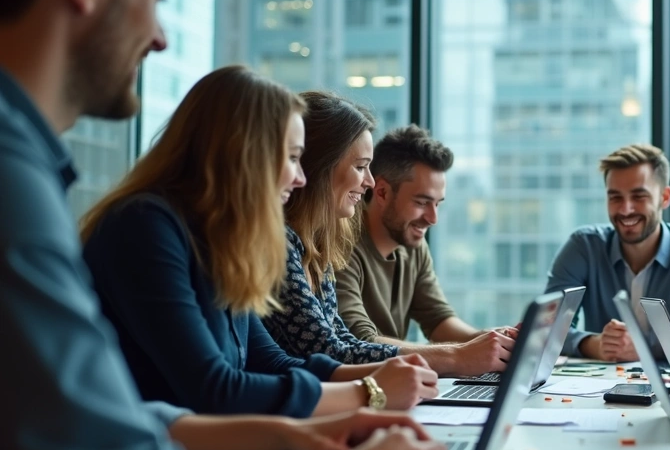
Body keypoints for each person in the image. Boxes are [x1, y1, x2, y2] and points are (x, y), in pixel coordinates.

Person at [0, 0, 446, 450]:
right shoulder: (122, 219)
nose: (159, 37)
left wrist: (307, 432)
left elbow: (136, 418)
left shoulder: (198, 236)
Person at [80, 66, 438, 417]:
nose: (300, 178)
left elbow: (268, 362)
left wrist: (396, 376)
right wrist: (370, 392)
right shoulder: (145, 227)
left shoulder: (220, 239)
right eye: (294, 158)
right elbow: (215, 390)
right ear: (245, 153)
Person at [262, 91, 438, 394]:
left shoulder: (316, 246)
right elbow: (327, 352)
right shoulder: (278, 242)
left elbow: (343, 341)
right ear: (318, 167)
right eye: (360, 166)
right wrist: (451, 358)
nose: (369, 181)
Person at [336, 124, 517, 377]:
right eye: (422, 203)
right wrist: (459, 355)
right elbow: (361, 341)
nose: (433, 219)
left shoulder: (413, 245)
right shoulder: (340, 244)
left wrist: (493, 340)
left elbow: (438, 319)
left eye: (437, 204)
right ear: (382, 192)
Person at [545, 143, 670, 362]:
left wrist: (644, 346)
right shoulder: (584, 246)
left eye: (639, 196)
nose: (625, 209)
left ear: (665, 197)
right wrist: (594, 344)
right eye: (615, 197)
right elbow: (544, 328)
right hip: (598, 389)